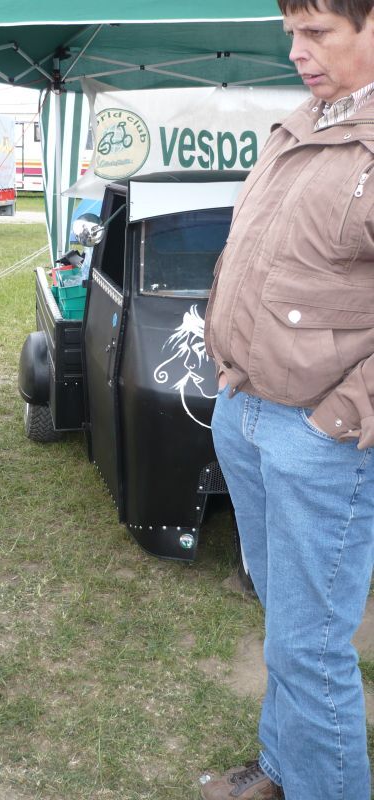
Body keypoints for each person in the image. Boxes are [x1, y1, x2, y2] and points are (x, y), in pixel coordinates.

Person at [202, 1, 374, 798]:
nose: (299, 52)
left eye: (318, 33)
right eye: (292, 35)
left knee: (309, 647)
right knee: (287, 629)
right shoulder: (302, 124)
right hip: (246, 410)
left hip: (321, 436)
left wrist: (338, 417)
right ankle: (285, 768)